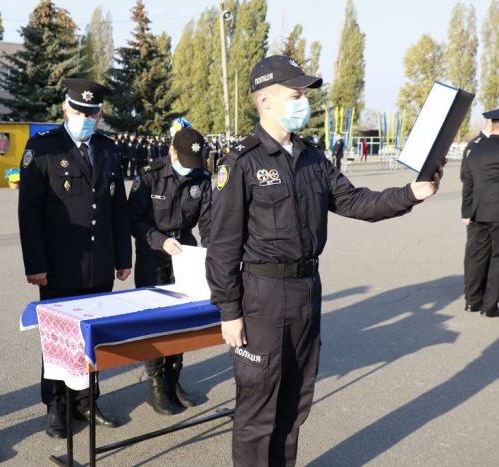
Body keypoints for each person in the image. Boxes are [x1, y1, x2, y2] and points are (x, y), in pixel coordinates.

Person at [205, 55, 444, 467]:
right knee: (258, 409)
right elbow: (222, 245)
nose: (304, 102)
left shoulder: (312, 157)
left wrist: (411, 193)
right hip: (262, 297)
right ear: (265, 100)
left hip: (306, 290)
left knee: (295, 402)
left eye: (304, 94)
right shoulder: (242, 163)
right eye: (295, 94)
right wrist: (229, 311)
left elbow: (355, 201)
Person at [18, 77, 132, 439]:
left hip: (99, 264)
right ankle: (57, 405)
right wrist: (35, 264)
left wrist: (123, 257)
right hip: (59, 265)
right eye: (80, 111)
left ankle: (86, 400)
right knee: (58, 338)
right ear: (65, 108)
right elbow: (29, 212)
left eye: (92, 113)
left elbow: (118, 207)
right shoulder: (43, 148)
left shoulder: (107, 149)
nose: (86, 119)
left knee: (91, 338)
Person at [128, 127, 212, 415]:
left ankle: (173, 380)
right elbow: (132, 220)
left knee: (181, 318)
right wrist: (160, 240)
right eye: (185, 161)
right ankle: (155, 386)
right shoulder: (149, 175)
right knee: (154, 319)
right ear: (172, 152)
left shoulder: (201, 177)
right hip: (153, 253)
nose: (190, 168)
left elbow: (208, 223)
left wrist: (210, 255)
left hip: (185, 253)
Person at [460, 108, 499, 317]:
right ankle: (490, 306)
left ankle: (472, 300)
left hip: (477, 211)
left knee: (476, 256)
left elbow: (467, 181)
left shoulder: (474, 148)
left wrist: (466, 212)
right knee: (497, 258)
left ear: (491, 124)